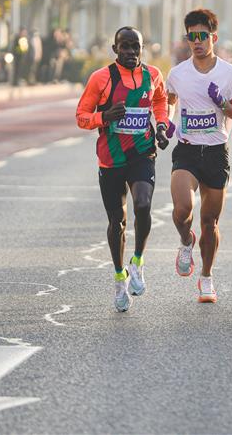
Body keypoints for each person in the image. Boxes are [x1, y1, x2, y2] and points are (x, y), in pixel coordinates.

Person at [76, 27, 170, 312]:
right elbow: (81, 116)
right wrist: (104, 116)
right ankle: (120, 277)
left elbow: (160, 101)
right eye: (124, 47)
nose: (130, 52)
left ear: (143, 48)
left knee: (143, 205)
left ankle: (138, 261)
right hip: (111, 158)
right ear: (115, 49)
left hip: (142, 153)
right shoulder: (101, 79)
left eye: (135, 47)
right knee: (117, 221)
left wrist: (162, 126)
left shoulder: (153, 75)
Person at [166, 9, 232, 304]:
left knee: (210, 221)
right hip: (186, 149)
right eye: (191, 37)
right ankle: (186, 241)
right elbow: (169, 103)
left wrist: (221, 102)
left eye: (202, 36)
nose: (196, 42)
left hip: (215, 151)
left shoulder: (229, 74)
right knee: (182, 209)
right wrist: (168, 121)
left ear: (213, 37)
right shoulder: (178, 73)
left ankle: (207, 278)